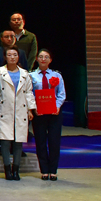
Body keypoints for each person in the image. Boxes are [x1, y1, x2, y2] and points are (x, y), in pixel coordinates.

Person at [0, 46, 36, 181]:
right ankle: (7, 170)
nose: (12, 57)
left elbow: (28, 92)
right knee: (5, 141)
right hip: (4, 109)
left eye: (15, 55)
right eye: (9, 55)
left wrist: (30, 109)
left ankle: (16, 170)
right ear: (5, 57)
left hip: (20, 110)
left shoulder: (25, 73)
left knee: (18, 141)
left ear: (18, 57)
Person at [31, 49, 65, 181]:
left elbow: (61, 94)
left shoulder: (57, 75)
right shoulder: (32, 76)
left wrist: (57, 106)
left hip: (54, 113)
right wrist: (34, 108)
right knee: (40, 141)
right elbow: (29, 93)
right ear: (37, 59)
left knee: (54, 141)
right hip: (39, 113)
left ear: (50, 60)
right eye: (40, 56)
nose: (43, 59)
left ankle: (53, 170)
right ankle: (44, 170)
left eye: (46, 57)